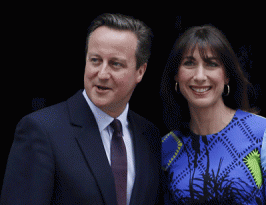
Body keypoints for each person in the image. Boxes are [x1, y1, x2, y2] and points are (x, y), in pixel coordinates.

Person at [1, 13, 161, 205]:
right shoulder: (41, 131)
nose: (102, 74)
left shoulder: (149, 136)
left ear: (140, 71)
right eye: (95, 60)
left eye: (115, 64)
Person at [160, 25, 266, 204]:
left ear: (226, 76)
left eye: (211, 64)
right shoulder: (168, 146)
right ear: (176, 76)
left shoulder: (265, 134)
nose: (200, 76)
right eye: (189, 63)